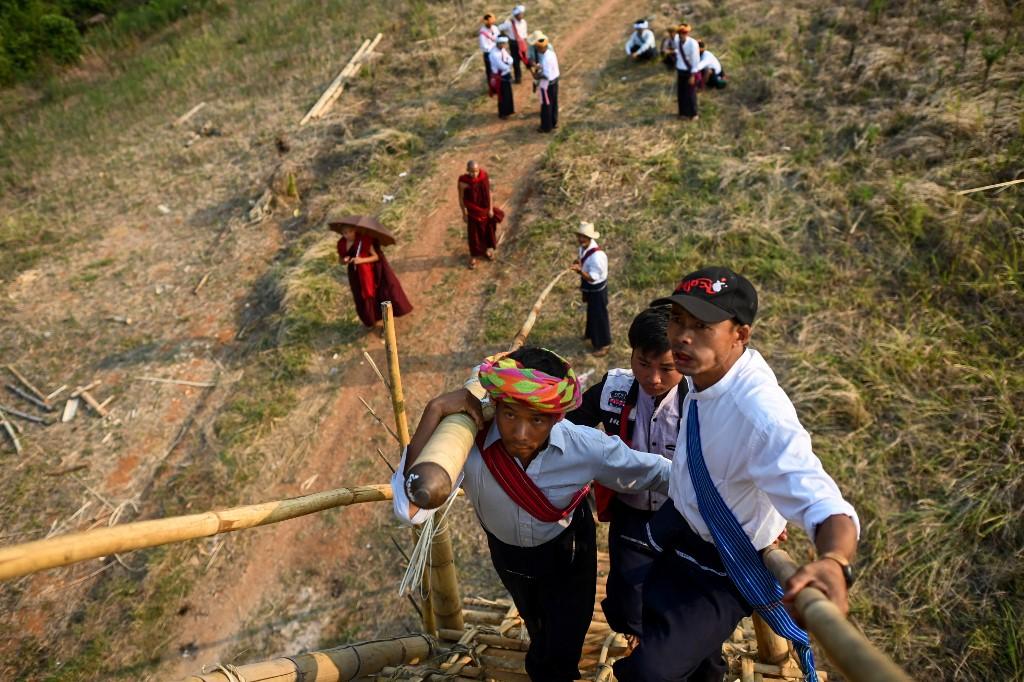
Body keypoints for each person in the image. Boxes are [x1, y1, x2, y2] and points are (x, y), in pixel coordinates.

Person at [612, 267, 861, 682]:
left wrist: (834, 560)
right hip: (679, 529)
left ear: (740, 335)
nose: (682, 336)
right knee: (663, 627)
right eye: (677, 320)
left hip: (725, 562)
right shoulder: (702, 373)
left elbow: (819, 497)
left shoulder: (759, 412)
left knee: (649, 672)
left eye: (702, 326)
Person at [392, 347, 672, 682]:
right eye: (510, 415)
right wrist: (435, 409)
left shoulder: (586, 447)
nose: (520, 433)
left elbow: (659, 473)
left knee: (562, 644)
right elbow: (412, 508)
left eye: (537, 420)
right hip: (509, 557)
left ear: (557, 418)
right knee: (535, 623)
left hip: (568, 554)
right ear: (495, 406)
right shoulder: (466, 443)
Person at [566, 306, 684, 643]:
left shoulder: (700, 401)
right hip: (629, 509)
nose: (653, 378)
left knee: (679, 583)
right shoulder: (613, 390)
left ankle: (670, 643)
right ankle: (635, 635)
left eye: (667, 368)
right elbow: (570, 425)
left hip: (681, 512)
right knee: (627, 589)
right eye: (643, 364)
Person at [336, 226, 413, 332]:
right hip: (355, 275)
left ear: (355, 231)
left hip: (369, 273)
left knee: (375, 296)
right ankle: (371, 320)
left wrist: (361, 260)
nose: (348, 235)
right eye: (345, 233)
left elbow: (376, 257)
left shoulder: (364, 240)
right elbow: (340, 260)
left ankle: (387, 323)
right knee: (360, 297)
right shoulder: (341, 243)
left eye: (350, 232)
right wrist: (344, 260)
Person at [571, 221, 611, 356]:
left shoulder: (597, 257)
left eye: (583, 236)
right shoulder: (583, 248)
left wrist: (579, 271)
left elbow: (593, 278)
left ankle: (603, 344)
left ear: (589, 237)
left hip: (597, 290)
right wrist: (578, 263)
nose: (580, 239)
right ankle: (590, 334)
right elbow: (582, 260)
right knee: (591, 312)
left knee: (599, 315)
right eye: (579, 236)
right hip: (589, 288)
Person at [457, 160, 503, 269]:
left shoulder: (484, 177)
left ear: (479, 170)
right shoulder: (463, 182)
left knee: (486, 232)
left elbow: (489, 193)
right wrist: (464, 214)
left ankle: (486, 251)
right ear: (467, 170)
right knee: (474, 236)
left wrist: (491, 209)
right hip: (473, 213)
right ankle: (473, 257)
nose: (474, 174)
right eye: (471, 171)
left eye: (476, 171)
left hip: (485, 211)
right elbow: (461, 199)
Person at [672, 23, 701, 119]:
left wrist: (692, 75)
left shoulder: (693, 43)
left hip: (690, 71)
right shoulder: (677, 40)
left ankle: (693, 114)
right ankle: (683, 113)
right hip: (680, 69)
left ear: (687, 33)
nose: (682, 35)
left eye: (684, 33)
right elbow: (677, 50)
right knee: (681, 92)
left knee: (690, 93)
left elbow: (695, 59)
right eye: (680, 33)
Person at [533, 32, 559, 133]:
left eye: (538, 48)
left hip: (548, 84)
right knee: (554, 103)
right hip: (555, 81)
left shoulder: (545, 59)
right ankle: (553, 122)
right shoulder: (551, 53)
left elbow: (546, 75)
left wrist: (537, 76)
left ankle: (546, 127)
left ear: (541, 48)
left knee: (546, 105)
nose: (538, 50)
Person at [498, 5, 529, 83]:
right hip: (514, 44)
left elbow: (525, 33)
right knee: (516, 62)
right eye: (519, 14)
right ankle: (518, 78)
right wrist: (504, 35)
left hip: (522, 43)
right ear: (516, 15)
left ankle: (531, 70)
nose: (521, 15)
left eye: (522, 14)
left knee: (526, 58)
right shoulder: (509, 23)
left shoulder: (524, 22)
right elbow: (499, 28)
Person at [489, 36, 515, 119]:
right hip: (500, 76)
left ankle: (509, 110)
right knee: (502, 96)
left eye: (504, 43)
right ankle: (503, 113)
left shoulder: (502, 50)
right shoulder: (494, 54)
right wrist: (508, 65)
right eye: (502, 44)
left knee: (508, 94)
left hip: (505, 74)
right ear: (498, 43)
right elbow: (502, 66)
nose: (504, 45)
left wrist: (508, 63)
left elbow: (510, 59)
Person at [479, 13, 500, 86]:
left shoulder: (495, 28)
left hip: (496, 51)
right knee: (490, 72)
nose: (491, 24)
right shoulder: (482, 32)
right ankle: (493, 88)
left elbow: (498, 37)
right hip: (489, 54)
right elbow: (484, 46)